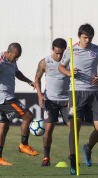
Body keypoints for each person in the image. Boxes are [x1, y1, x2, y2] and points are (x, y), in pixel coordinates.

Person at [58, 23, 98, 175]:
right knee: (75, 128)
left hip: (93, 92)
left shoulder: (97, 50)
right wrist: (69, 73)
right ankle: (73, 161)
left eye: (90, 38)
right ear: (79, 36)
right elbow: (61, 67)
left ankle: (88, 147)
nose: (87, 40)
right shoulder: (71, 50)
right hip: (76, 92)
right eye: (84, 37)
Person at [0, 42, 38, 166]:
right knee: (28, 116)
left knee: (3, 127)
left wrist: (28, 81)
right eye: (15, 56)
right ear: (8, 52)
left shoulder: (11, 61)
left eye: (17, 58)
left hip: (0, 100)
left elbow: (17, 72)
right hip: (4, 99)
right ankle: (24, 145)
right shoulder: (0, 61)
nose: (16, 59)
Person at [34, 38, 69, 166]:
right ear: (52, 50)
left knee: (73, 128)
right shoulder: (45, 62)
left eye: (61, 53)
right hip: (50, 100)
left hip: (66, 100)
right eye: (57, 53)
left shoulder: (70, 62)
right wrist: (39, 95)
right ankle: (46, 157)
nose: (59, 56)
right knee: (48, 130)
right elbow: (37, 78)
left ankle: (73, 156)